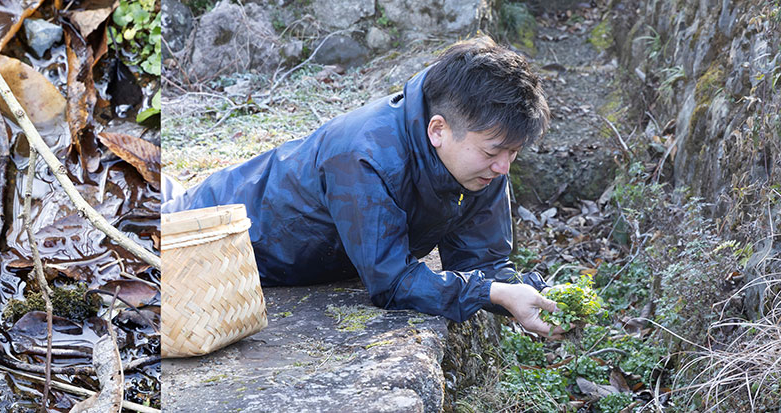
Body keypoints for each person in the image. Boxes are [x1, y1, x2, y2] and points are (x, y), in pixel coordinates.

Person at [162, 36, 563, 337]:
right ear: (438, 129)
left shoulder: (483, 162)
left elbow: (482, 267)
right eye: (495, 151)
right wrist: (492, 293)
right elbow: (391, 283)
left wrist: (532, 294)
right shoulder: (365, 154)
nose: (503, 166)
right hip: (211, 227)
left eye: (513, 152)